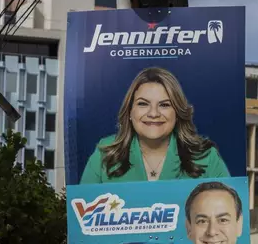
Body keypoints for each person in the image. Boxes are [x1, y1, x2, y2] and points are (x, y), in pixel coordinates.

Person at [79, 67, 229, 184]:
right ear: (130, 111)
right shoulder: (104, 154)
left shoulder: (207, 157)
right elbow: (81, 217)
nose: (153, 113)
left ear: (177, 113)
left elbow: (230, 215)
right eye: (143, 104)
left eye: (164, 105)